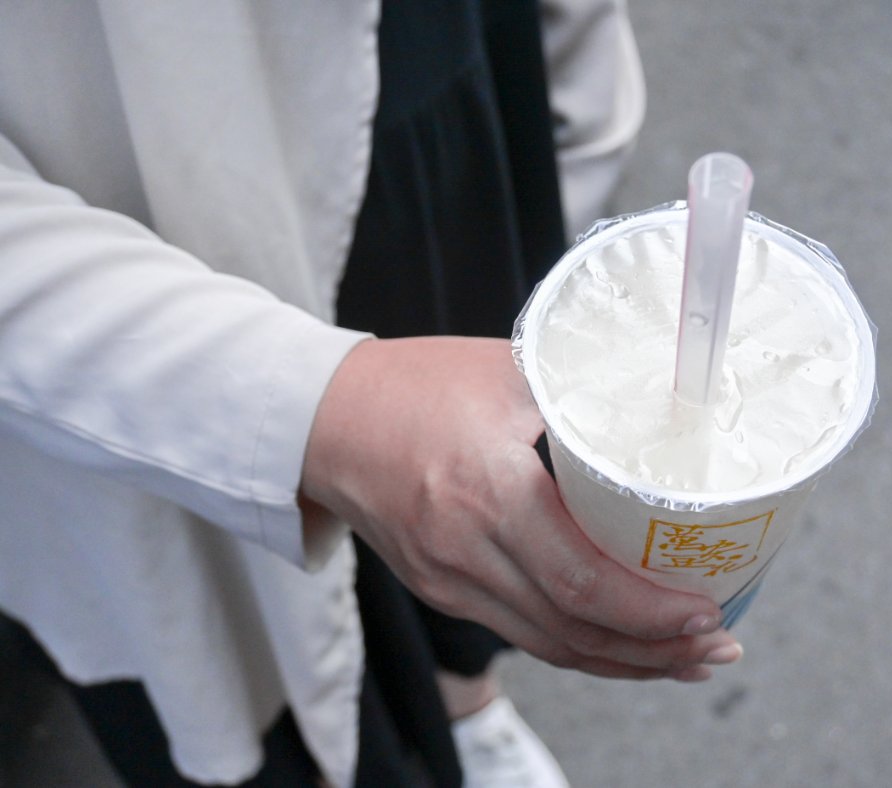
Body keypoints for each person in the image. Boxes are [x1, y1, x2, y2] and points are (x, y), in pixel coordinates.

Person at [0, 1, 743, 786]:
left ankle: (465, 700)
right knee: (237, 627)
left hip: (435, 64)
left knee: (487, 502)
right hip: (125, 186)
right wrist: (322, 406)